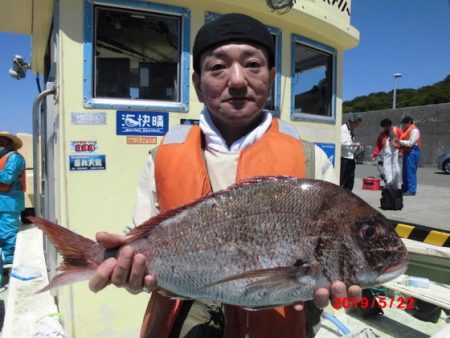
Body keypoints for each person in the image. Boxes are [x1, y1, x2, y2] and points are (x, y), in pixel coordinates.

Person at [88, 13, 362, 338]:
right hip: (184, 315)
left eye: (253, 65)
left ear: (271, 78)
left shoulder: (310, 160)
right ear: (197, 84)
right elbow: (140, 238)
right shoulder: (163, 156)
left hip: (277, 314)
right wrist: (125, 266)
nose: (236, 80)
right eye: (218, 67)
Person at [0, 131, 26, 264]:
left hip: (9, 203)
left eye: (1, 141)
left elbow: (7, 178)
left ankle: (10, 265)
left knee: (8, 235)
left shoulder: (14, 158)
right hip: (3, 201)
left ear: (8, 143)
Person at [394, 116, 421, 196]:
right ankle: (405, 188)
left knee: (411, 172)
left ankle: (412, 190)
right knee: (405, 172)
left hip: (413, 152)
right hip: (407, 151)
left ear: (409, 122)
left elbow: (411, 143)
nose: (403, 125)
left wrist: (400, 141)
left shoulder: (414, 130)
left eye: (404, 124)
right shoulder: (406, 130)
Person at [371, 118, 401, 188]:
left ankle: (395, 184)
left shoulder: (397, 131)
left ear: (390, 125)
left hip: (396, 152)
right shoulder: (382, 134)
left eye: (386, 126)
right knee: (386, 168)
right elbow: (378, 145)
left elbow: (402, 141)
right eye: (384, 127)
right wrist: (374, 153)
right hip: (386, 152)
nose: (385, 128)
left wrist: (401, 151)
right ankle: (388, 183)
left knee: (395, 168)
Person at [340, 113, 362, 191]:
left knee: (350, 181)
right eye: (357, 124)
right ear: (353, 122)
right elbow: (341, 143)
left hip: (351, 158)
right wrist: (354, 144)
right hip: (345, 158)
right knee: (343, 181)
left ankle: (348, 196)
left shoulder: (351, 130)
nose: (357, 126)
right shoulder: (343, 128)